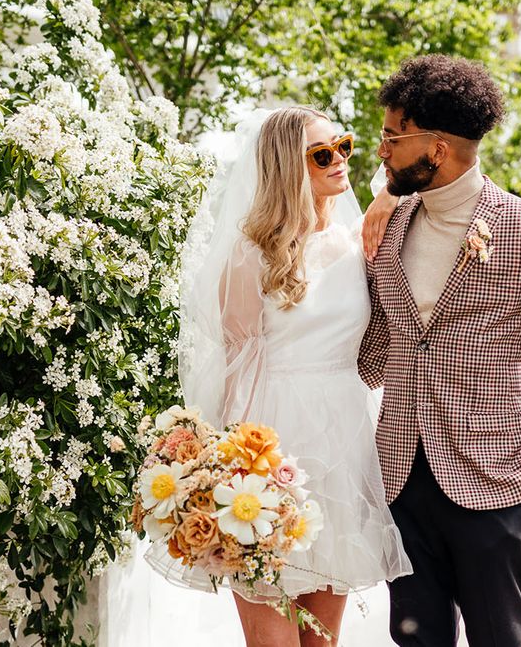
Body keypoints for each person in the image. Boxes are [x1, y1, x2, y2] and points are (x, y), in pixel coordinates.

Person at [358, 55, 521, 647]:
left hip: (493, 485)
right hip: (403, 482)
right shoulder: (389, 222)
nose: (381, 150)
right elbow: (374, 349)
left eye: (392, 136)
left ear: (436, 148)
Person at [170, 106, 411, 647]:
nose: (339, 161)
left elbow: (436, 196)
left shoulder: (358, 243)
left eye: (343, 146)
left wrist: (389, 196)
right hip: (270, 448)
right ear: (286, 167)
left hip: (344, 449)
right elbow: (238, 370)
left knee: (324, 640)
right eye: (322, 154)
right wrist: (227, 478)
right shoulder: (247, 255)